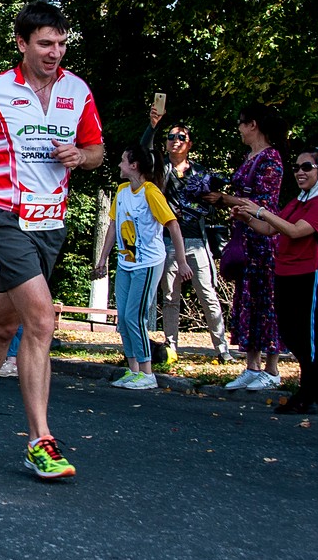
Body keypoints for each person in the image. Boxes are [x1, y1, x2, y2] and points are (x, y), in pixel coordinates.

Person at [0, 0, 103, 479]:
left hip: (52, 222)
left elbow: (96, 151)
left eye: (61, 43)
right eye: (45, 43)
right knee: (41, 320)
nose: (55, 52)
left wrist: (81, 155)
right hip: (4, 217)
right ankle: (40, 441)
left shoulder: (78, 90)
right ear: (22, 44)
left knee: (2, 327)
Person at [232, 148, 318, 413]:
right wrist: (247, 218)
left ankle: (308, 393)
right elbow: (271, 229)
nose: (299, 172)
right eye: (296, 167)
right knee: (289, 335)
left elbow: (296, 231)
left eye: (307, 167)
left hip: (310, 274)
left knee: (304, 338)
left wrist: (261, 210)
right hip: (285, 273)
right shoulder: (297, 202)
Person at [93, 145, 192, 389]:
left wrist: (181, 261)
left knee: (134, 316)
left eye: (123, 160)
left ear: (134, 166)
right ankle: (133, 369)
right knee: (123, 319)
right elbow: (114, 226)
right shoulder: (122, 190)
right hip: (126, 262)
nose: (119, 165)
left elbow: (173, 226)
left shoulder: (151, 192)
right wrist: (103, 259)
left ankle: (147, 373)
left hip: (147, 262)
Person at [207, 104, 286, 391]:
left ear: (253, 125)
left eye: (242, 123)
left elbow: (263, 204)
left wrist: (225, 199)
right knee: (248, 300)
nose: (239, 129)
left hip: (264, 240)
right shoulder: (249, 157)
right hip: (245, 237)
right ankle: (251, 366)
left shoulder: (271, 159)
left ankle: (272, 368)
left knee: (267, 301)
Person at [144, 114, 232, 363]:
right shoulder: (160, 169)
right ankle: (171, 349)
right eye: (171, 137)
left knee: (208, 295)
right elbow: (143, 150)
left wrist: (212, 200)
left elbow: (212, 206)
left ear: (190, 144)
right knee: (170, 297)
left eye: (181, 137)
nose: (175, 141)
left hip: (196, 241)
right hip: (168, 241)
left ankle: (222, 348)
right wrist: (152, 126)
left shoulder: (202, 172)